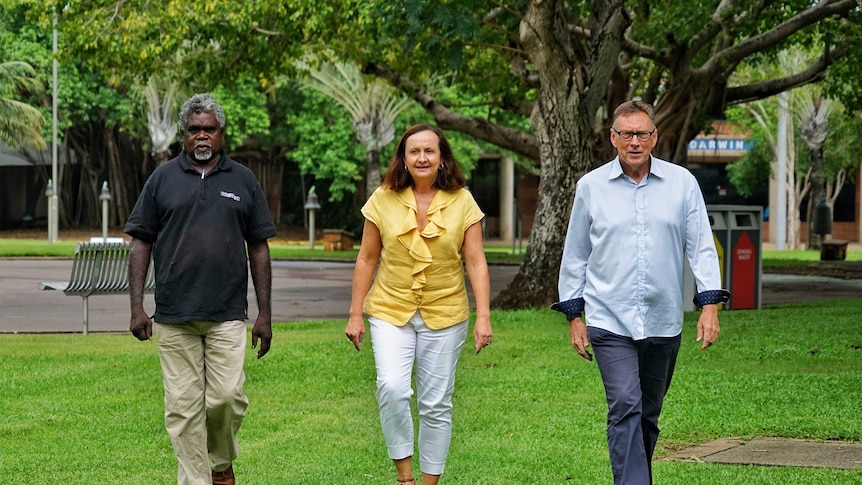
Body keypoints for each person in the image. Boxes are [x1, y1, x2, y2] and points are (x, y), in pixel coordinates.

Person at [552, 100, 730, 485]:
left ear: (655, 138)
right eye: (627, 134)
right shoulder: (591, 187)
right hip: (608, 318)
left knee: (648, 412)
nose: (635, 141)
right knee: (625, 406)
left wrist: (709, 304)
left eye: (643, 133)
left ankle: (636, 474)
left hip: (663, 319)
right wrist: (574, 315)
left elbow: (700, 245)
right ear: (613, 138)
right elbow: (576, 253)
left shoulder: (682, 182)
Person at [126, 93, 276, 485]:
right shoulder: (162, 179)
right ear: (183, 134)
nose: (202, 136)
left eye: (209, 129)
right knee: (182, 410)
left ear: (222, 133)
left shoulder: (243, 180)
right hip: (175, 316)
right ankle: (199, 481)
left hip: (227, 314)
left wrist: (265, 313)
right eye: (194, 130)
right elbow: (141, 240)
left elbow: (258, 246)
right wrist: (137, 306)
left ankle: (221, 463)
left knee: (226, 398)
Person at [345, 124, 493, 485]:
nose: (422, 158)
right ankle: (405, 478)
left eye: (430, 151)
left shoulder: (463, 201)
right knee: (392, 388)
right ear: (404, 158)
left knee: (435, 403)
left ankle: (428, 482)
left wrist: (483, 317)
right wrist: (355, 314)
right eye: (415, 152)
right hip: (389, 309)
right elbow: (366, 258)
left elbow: (475, 261)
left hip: (446, 313)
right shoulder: (382, 199)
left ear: (442, 158)